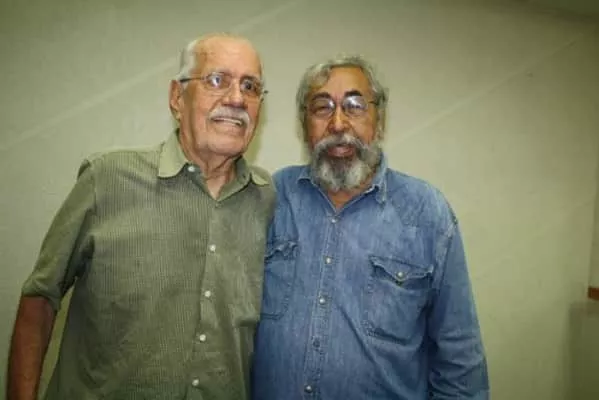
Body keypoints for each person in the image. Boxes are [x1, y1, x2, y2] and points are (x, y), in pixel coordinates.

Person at [7, 33, 275, 400]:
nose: (236, 99)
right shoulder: (106, 180)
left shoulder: (268, 201)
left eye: (250, 86)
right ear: (177, 97)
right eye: (217, 80)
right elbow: (40, 297)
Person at [252, 55, 489, 399]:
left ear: (379, 120)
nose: (338, 123)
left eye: (355, 105)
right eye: (322, 107)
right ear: (304, 125)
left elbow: (459, 360)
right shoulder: (273, 198)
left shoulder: (427, 213)